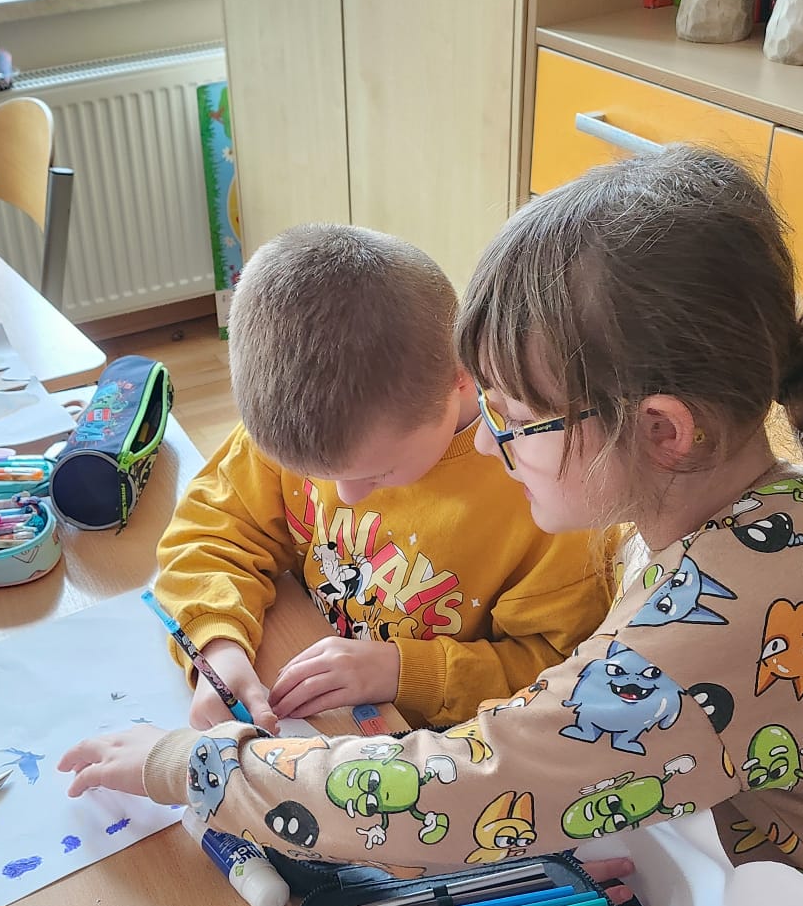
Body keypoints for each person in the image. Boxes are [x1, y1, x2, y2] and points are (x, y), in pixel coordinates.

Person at [64, 149, 803, 906]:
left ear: (661, 430)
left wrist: (196, 766)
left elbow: (472, 783)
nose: (489, 445)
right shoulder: (725, 512)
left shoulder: (733, 604)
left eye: (513, 418)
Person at [153, 223, 612, 733]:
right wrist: (217, 645)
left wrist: (402, 671)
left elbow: (555, 670)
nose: (347, 496)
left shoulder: (548, 492)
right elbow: (214, 530)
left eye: (378, 473)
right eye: (317, 477)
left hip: (435, 746)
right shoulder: (318, 426)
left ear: (460, 376)